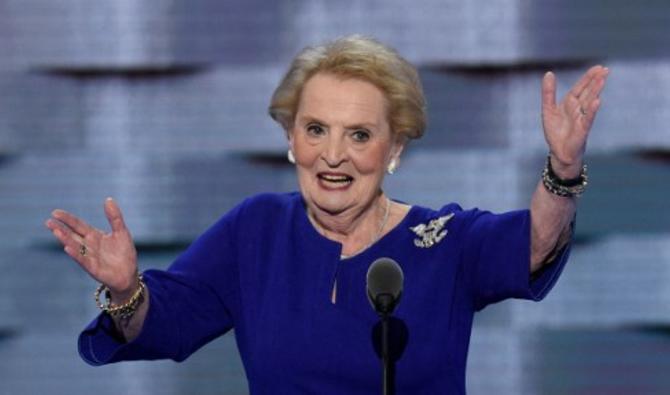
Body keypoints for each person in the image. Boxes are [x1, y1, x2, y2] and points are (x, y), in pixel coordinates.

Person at [45, 35, 608, 394]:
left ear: (394, 150)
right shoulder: (255, 231)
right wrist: (125, 291)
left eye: (359, 135)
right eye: (316, 129)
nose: (333, 155)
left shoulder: (443, 243)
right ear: (291, 138)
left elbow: (534, 243)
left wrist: (562, 167)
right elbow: (165, 323)